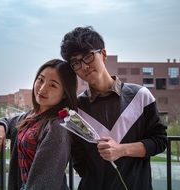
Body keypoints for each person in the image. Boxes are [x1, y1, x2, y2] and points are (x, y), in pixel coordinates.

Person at [60, 26, 167, 190]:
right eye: (76, 62)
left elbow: (159, 141)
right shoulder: (76, 110)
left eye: (88, 56)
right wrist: (4, 124)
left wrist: (122, 150)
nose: (84, 66)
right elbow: (78, 158)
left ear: (103, 54)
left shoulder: (140, 96)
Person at [0, 59, 78, 190]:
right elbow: (10, 122)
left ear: (64, 94)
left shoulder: (57, 126)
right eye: (40, 80)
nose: (42, 88)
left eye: (52, 85)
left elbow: (45, 183)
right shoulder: (31, 116)